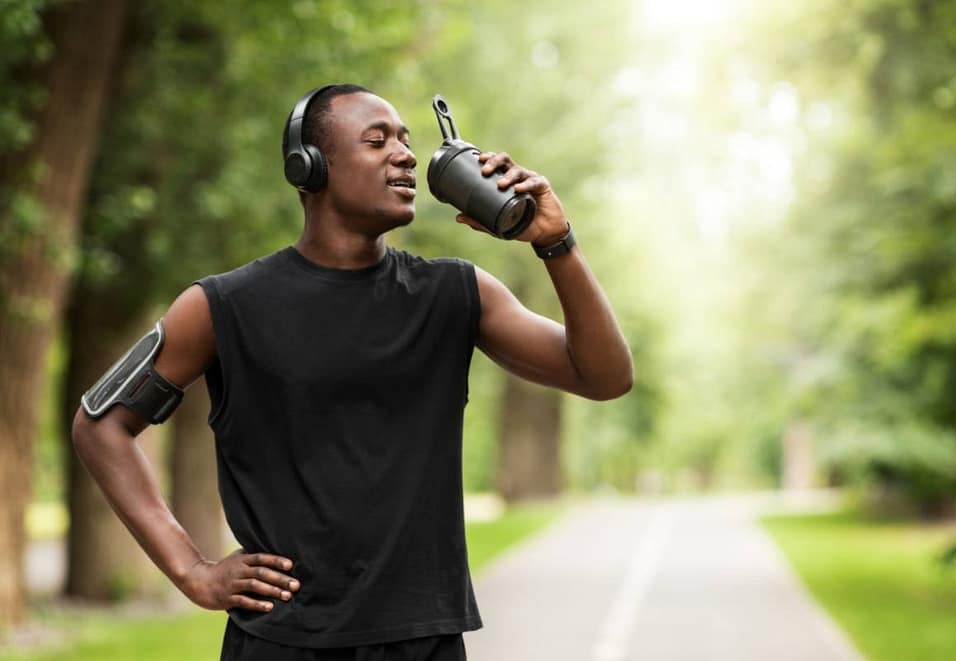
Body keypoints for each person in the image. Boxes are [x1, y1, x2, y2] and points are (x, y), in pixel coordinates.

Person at [71, 83, 633, 660]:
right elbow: (100, 425)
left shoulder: (456, 295)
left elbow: (604, 376)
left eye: (407, 142)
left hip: (425, 641)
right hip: (281, 643)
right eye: (377, 140)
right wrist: (191, 569)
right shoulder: (223, 307)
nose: (406, 155)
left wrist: (556, 243)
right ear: (309, 167)